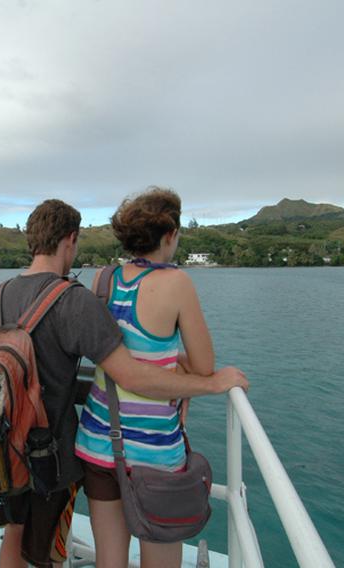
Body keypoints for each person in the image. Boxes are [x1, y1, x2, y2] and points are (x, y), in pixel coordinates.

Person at [0, 199, 249, 568]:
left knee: (91, 555)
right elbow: (149, 369)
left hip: (59, 441)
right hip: (134, 448)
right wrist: (207, 383)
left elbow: (118, 344)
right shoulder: (167, 284)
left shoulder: (94, 281)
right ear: (170, 235)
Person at [74, 187, 231, 567]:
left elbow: (121, 352)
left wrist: (161, 356)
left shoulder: (103, 279)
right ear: (170, 235)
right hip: (154, 452)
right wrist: (197, 376)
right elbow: (206, 365)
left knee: (110, 561)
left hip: (97, 442)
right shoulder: (176, 283)